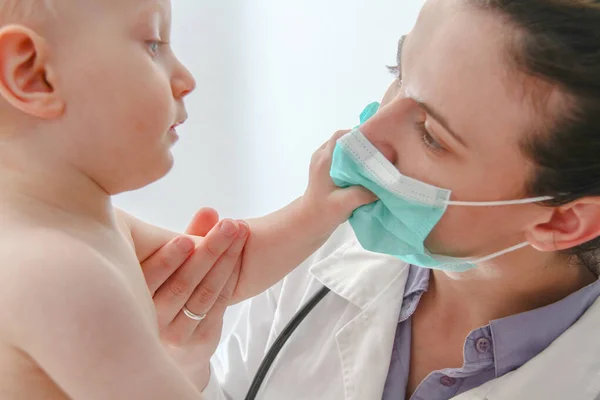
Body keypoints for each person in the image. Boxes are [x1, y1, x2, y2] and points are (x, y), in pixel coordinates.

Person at [148, 0, 600, 399]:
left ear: (563, 222)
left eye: (431, 137)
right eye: (398, 74)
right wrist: (185, 363)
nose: (362, 135)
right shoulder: (322, 249)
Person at [0, 0, 375, 398]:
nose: (186, 78)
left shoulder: (81, 225)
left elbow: (221, 271)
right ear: (32, 74)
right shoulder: (56, 271)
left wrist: (313, 213)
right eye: (152, 44)